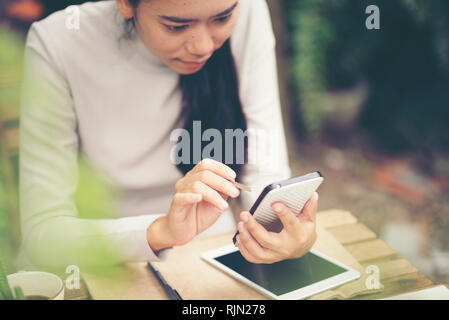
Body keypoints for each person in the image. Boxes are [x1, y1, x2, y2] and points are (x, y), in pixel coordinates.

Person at [18, 0, 319, 268]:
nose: (202, 46)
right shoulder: (58, 41)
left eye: (221, 19)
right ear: (125, 4)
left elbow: (264, 168)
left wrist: (285, 230)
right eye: (176, 26)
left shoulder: (247, 9)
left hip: (216, 252)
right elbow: (44, 233)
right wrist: (161, 231)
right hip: (101, 257)